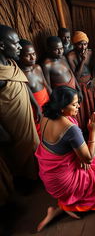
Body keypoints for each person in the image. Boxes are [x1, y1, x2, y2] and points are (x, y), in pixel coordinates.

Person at [35, 86, 95, 232]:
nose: (79, 106)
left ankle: (61, 207)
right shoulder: (71, 129)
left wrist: (78, 157)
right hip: (63, 183)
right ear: (62, 108)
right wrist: (93, 131)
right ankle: (69, 206)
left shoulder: (46, 116)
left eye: (78, 103)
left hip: (48, 177)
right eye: (74, 104)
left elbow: (61, 149)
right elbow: (88, 159)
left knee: (89, 165)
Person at [0, 24, 39, 182]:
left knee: (33, 147)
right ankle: (25, 181)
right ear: (1, 45)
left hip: (26, 118)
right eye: (15, 44)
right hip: (12, 125)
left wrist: (35, 104)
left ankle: (35, 176)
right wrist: (1, 131)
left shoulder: (11, 63)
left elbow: (22, 82)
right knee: (19, 154)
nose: (19, 47)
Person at [66, 31, 95, 132]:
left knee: (92, 105)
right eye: (80, 44)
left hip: (89, 82)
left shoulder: (90, 52)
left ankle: (94, 125)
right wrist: (83, 60)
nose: (83, 47)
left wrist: (93, 79)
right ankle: (83, 129)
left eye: (85, 44)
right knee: (82, 108)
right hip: (79, 84)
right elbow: (76, 76)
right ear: (74, 45)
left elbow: (93, 67)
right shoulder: (70, 56)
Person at [19, 39, 51, 137]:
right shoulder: (21, 74)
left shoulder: (38, 67)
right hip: (35, 106)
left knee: (51, 126)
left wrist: (53, 97)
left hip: (47, 101)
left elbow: (46, 84)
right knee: (41, 130)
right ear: (19, 57)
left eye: (34, 54)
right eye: (27, 55)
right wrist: (37, 108)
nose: (32, 57)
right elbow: (28, 95)